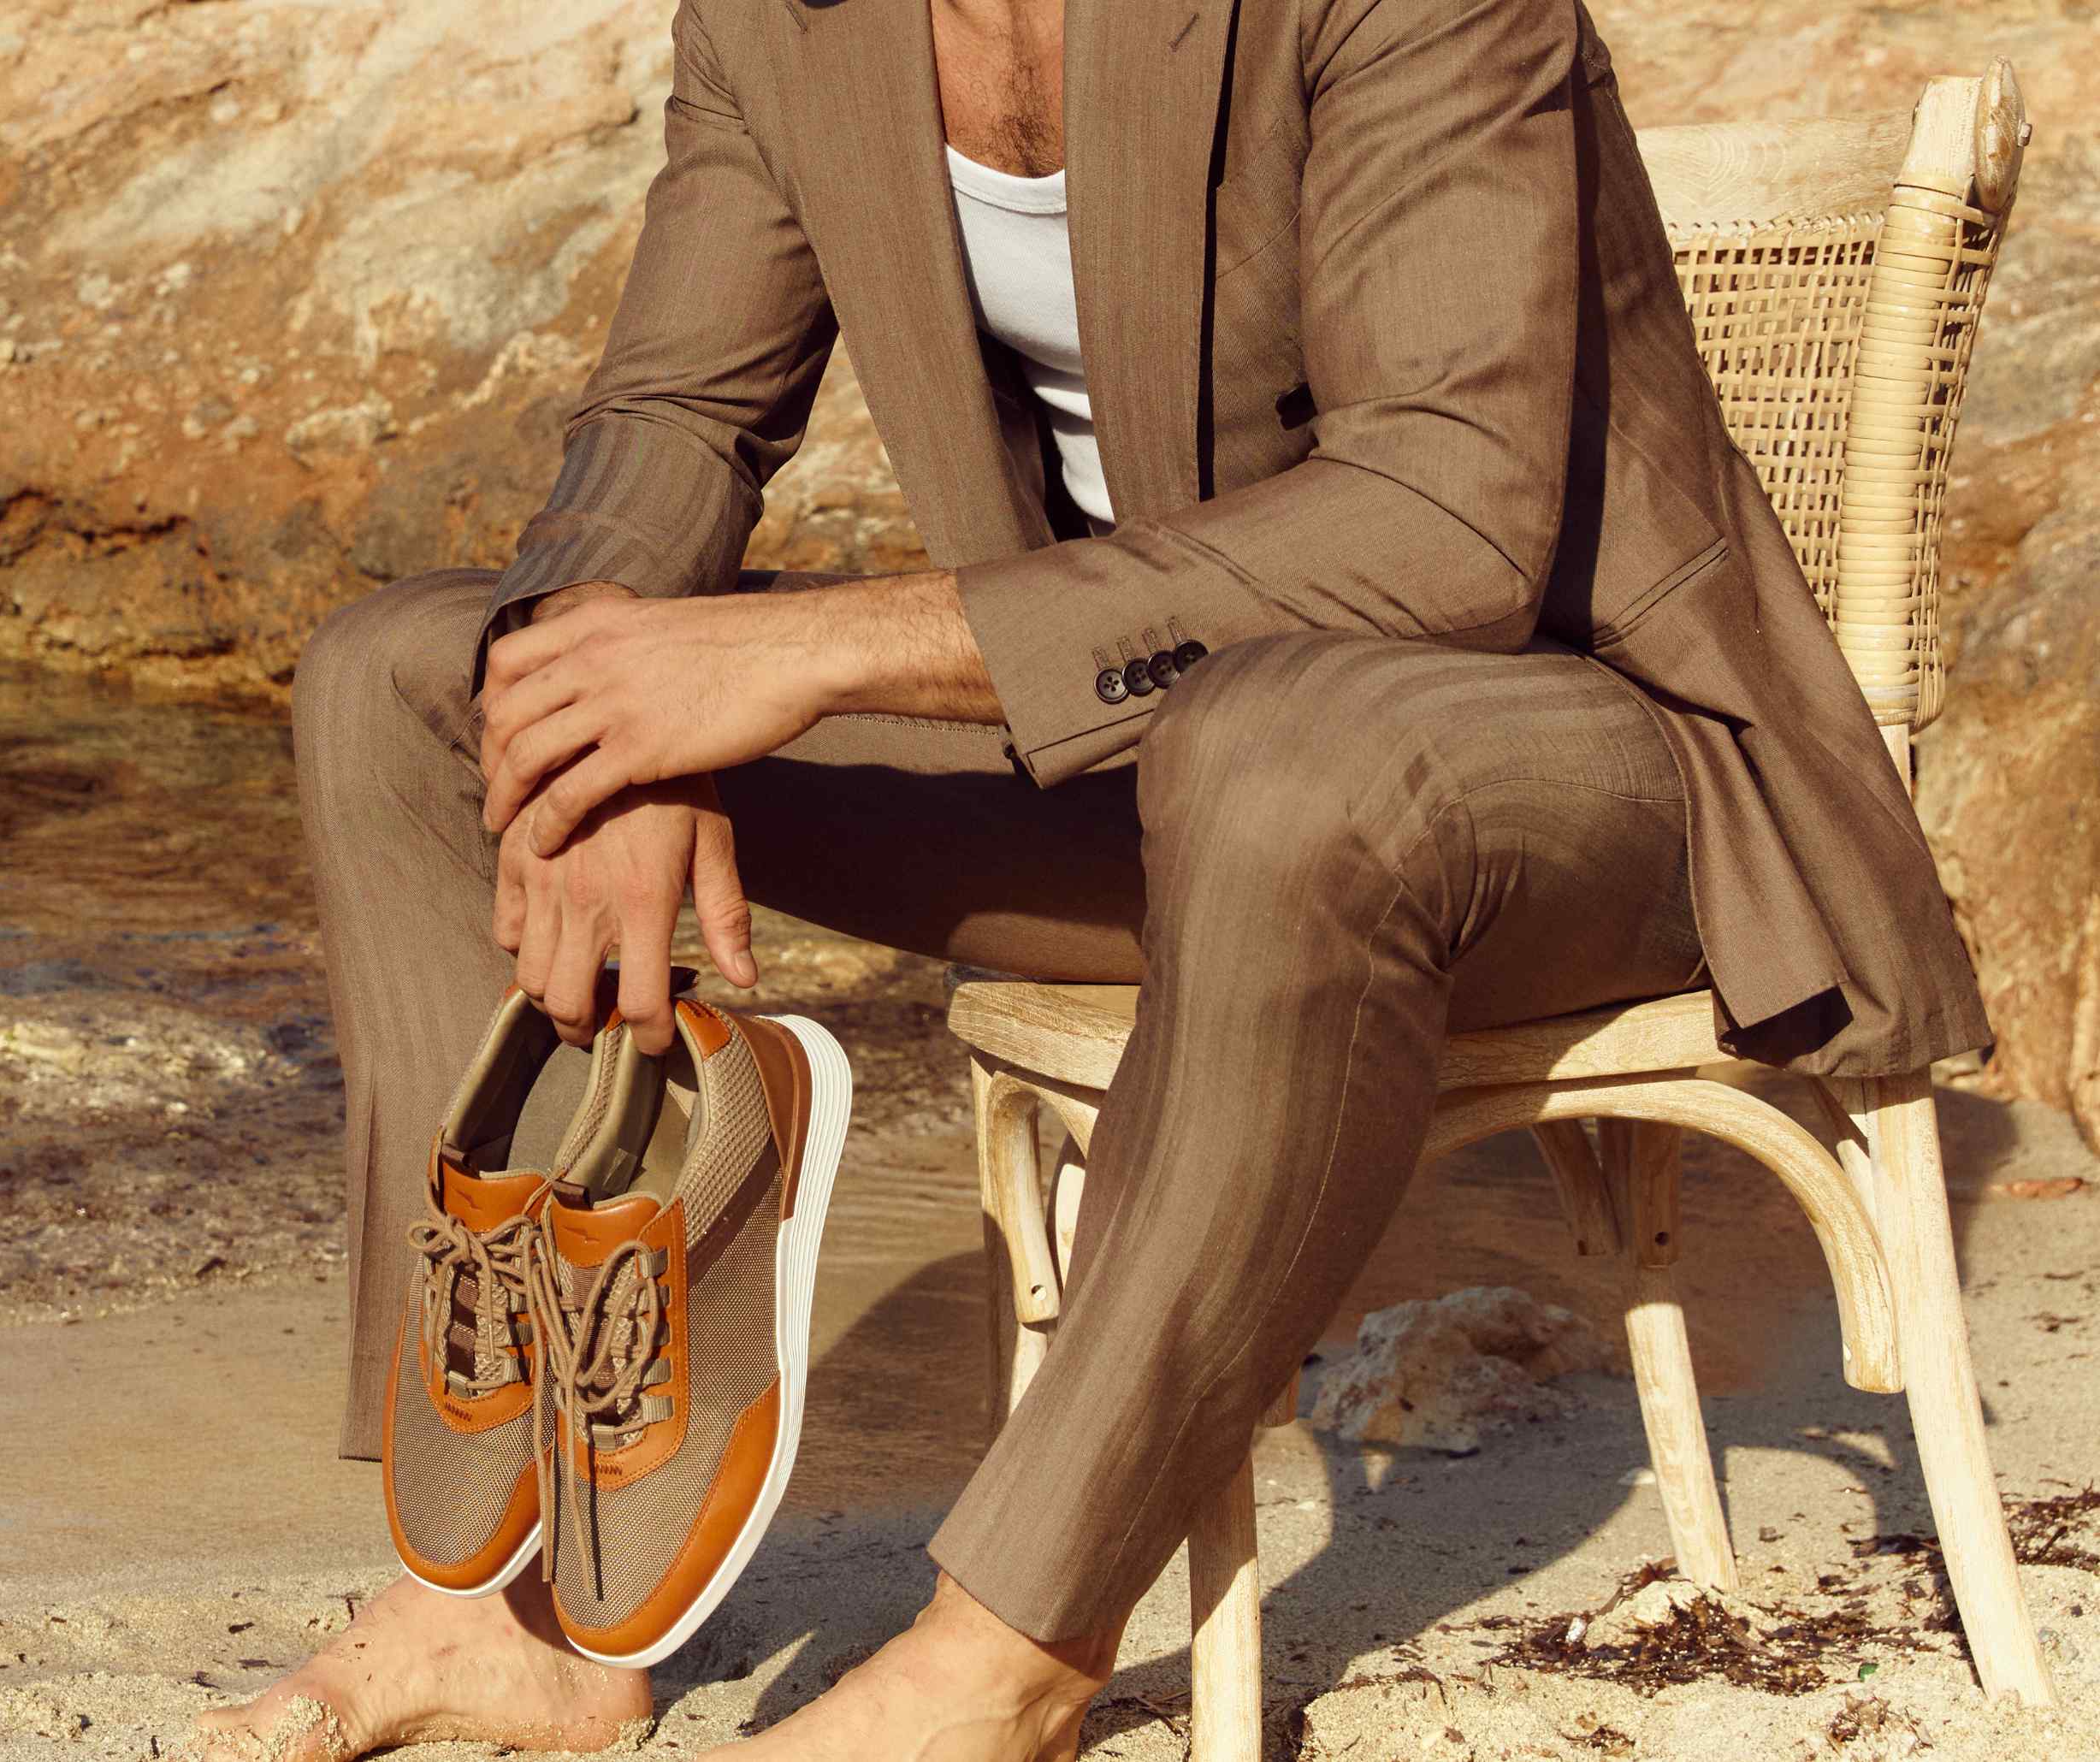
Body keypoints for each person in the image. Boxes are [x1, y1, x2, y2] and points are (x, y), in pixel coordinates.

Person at [216, 0, 1991, 1755]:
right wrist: (594, 724)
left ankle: (997, 1663)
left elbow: (1444, 519)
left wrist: (807, 652)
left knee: (1277, 758)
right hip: (1153, 761)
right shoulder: (786, 17)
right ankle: (515, 1607)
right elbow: (676, 417)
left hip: (1575, 765)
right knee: (420, 687)